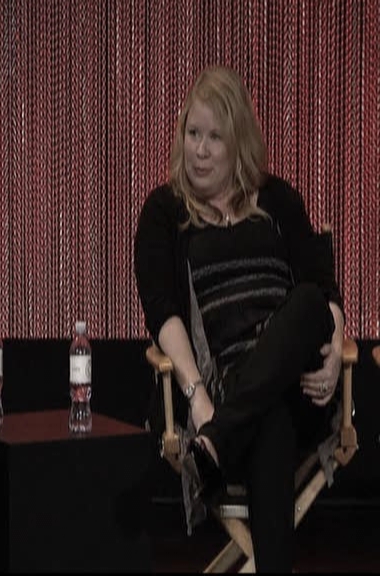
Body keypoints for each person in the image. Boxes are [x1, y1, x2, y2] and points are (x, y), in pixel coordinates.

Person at [133, 65, 344, 572]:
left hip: (300, 384)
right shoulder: (164, 212)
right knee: (268, 418)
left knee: (309, 302)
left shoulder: (278, 200)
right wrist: (198, 399)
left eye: (215, 138)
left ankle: (218, 441)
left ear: (238, 143)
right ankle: (224, 431)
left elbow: (325, 292)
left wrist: (336, 354)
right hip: (223, 387)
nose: (200, 151)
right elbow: (163, 316)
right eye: (193, 134)